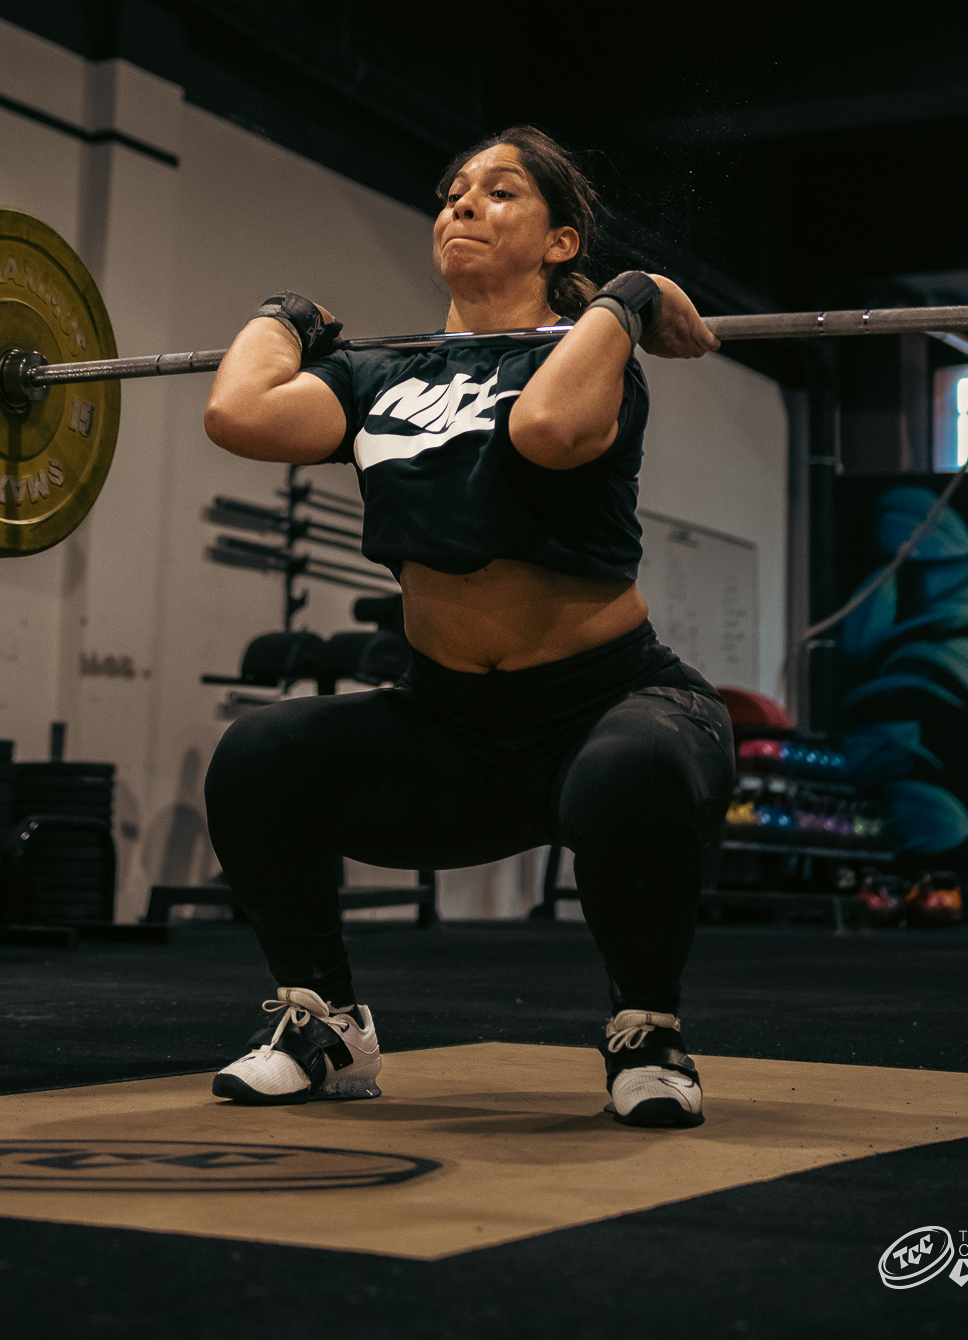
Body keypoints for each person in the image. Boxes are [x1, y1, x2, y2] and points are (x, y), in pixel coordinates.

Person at [202, 126, 736, 1129]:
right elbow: (240, 414)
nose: (461, 203)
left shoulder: (593, 357)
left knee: (634, 768)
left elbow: (548, 430)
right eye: (453, 191)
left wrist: (629, 300)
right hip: (451, 729)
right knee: (258, 756)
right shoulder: (378, 374)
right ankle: (326, 1025)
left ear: (561, 242)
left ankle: (646, 1030)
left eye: (498, 191)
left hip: (608, 705)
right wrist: (285, 318)